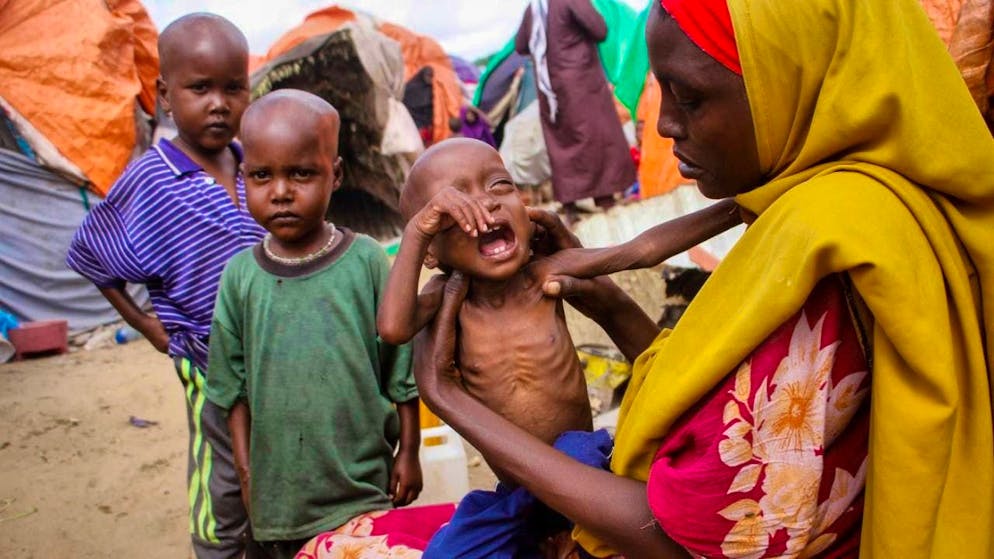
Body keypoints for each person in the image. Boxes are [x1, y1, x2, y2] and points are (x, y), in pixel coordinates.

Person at [414, 0, 994, 557]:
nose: (663, 124)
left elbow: (675, 537)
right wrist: (611, 304)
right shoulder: (839, 205)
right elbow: (725, 407)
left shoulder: (827, 240)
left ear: (790, 80)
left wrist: (449, 399)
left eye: (689, 97)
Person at [376, 137, 739, 555]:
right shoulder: (445, 302)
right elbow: (392, 328)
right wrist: (418, 229)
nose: (487, 204)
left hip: (586, 466)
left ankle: (569, 537)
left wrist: (737, 207)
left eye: (499, 186)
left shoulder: (542, 275)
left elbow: (639, 250)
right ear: (432, 252)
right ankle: (549, 537)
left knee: (575, 450)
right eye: (454, 207)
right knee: (448, 551)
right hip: (519, 490)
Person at [65, 13, 262, 558]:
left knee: (270, 463)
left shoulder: (255, 166)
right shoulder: (152, 178)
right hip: (206, 357)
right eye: (200, 88)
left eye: (233, 87)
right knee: (223, 473)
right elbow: (93, 255)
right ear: (165, 95)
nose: (219, 103)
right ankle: (216, 546)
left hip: (271, 352)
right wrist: (148, 324)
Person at [203, 89, 427, 559]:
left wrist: (408, 451)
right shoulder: (240, 277)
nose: (281, 192)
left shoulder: (366, 261)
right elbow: (232, 390)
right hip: (279, 498)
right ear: (243, 179)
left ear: (336, 174)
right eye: (262, 176)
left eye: (301, 173)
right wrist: (246, 477)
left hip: (363, 486)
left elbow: (401, 369)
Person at [515, 0, 635, 223]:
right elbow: (600, 29)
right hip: (582, 84)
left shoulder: (534, 9)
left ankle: (569, 205)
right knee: (596, 137)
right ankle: (605, 199)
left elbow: (521, 45)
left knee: (562, 145)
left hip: (551, 90)